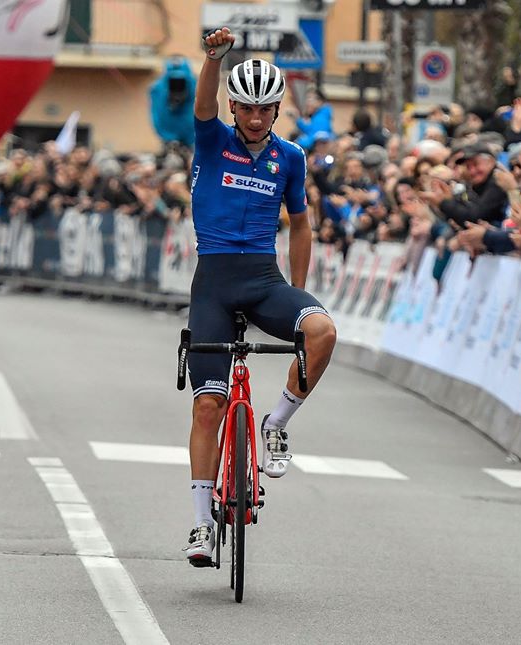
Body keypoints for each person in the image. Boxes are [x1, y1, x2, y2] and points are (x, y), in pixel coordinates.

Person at [183, 27, 338, 565]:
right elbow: (202, 104)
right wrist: (212, 59)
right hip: (214, 284)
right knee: (209, 405)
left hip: (265, 280)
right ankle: (202, 524)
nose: (254, 118)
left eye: (264, 109)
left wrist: (297, 286)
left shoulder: (291, 157)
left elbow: (301, 223)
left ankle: (275, 424)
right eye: (245, 108)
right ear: (234, 106)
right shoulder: (213, 140)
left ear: (276, 110)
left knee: (322, 331)